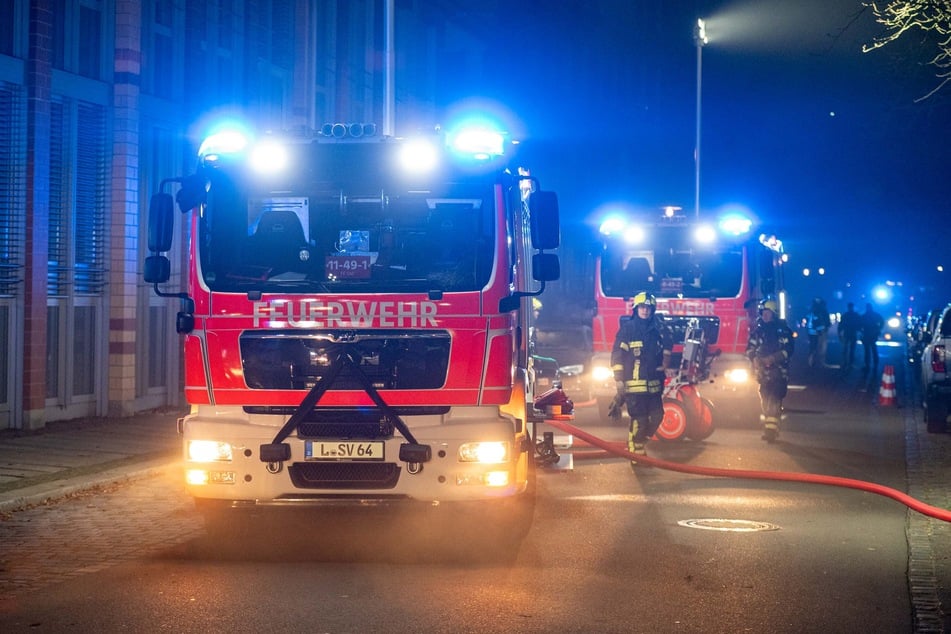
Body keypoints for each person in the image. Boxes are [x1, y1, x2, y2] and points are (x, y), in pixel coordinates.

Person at [611, 291, 673, 465]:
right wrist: (619, 379)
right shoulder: (628, 329)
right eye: (642, 307)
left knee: (658, 416)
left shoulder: (657, 330)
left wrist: (666, 361)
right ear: (636, 309)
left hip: (653, 384)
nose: (645, 311)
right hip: (634, 384)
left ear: (653, 310)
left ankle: (639, 441)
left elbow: (667, 344)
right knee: (640, 419)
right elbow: (617, 354)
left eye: (648, 308)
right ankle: (636, 453)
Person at [746, 298, 794, 443]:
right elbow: (749, 348)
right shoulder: (758, 331)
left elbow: (788, 350)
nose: (764, 315)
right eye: (763, 312)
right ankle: (772, 426)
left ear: (773, 313)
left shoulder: (783, 331)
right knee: (765, 400)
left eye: (767, 312)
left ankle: (770, 432)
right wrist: (754, 358)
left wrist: (773, 358)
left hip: (778, 372)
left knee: (774, 399)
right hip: (762, 372)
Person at [805, 297, 831, 367]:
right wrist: (822, 329)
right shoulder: (821, 312)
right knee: (821, 347)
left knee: (813, 346)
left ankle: (812, 360)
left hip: (811, 332)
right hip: (819, 332)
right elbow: (823, 322)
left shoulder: (811, 311)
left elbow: (808, 321)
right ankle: (819, 361)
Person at [861, 303, 885, 374]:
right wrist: (878, 329)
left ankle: (868, 365)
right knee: (873, 349)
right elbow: (882, 322)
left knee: (868, 350)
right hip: (872, 334)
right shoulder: (874, 315)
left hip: (867, 334)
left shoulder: (865, 315)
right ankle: (874, 364)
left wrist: (862, 331)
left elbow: (860, 324)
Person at [838, 302, 861, 370]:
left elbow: (841, 325)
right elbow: (859, 324)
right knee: (851, 349)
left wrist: (839, 334)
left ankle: (845, 362)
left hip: (847, 333)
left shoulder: (845, 315)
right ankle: (850, 362)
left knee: (846, 349)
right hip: (852, 333)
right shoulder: (855, 315)